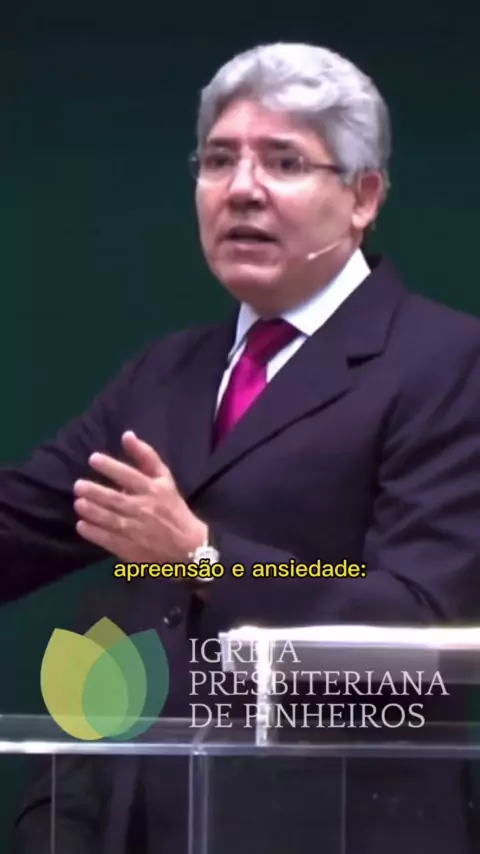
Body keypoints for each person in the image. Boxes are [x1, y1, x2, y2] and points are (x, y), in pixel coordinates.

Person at [8, 41, 480, 853]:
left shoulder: (447, 362)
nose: (241, 189)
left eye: (284, 162)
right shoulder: (167, 371)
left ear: (363, 197)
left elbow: (420, 623)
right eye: (219, 160)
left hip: (339, 826)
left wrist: (204, 558)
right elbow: (20, 525)